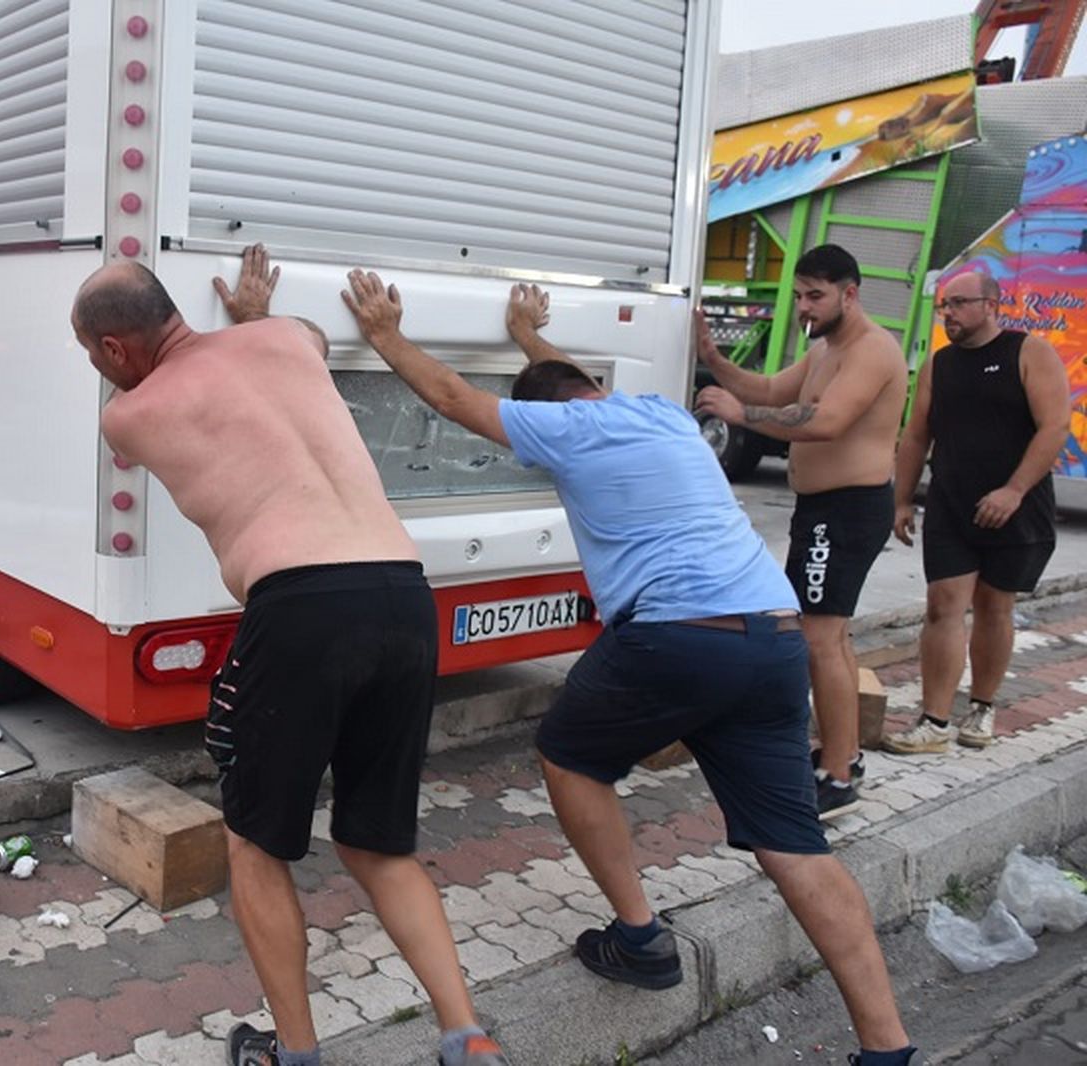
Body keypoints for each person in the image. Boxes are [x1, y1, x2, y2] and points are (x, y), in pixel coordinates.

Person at [341, 267, 918, 1066]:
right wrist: (528, 337)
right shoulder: (663, 417)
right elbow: (568, 383)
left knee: (570, 758)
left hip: (677, 635)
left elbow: (451, 399)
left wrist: (383, 335)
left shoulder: (560, 430)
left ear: (540, 416)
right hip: (773, 633)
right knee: (797, 850)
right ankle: (887, 1048)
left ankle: (641, 939)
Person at [70, 245, 508, 1066]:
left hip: (301, 608)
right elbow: (300, 335)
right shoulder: (288, 340)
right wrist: (254, 319)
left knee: (257, 845)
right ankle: (467, 1037)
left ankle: (296, 1055)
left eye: (94, 354)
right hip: (405, 596)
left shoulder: (126, 414)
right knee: (381, 843)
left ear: (116, 350)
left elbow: (191, 407)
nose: (98, 370)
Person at [695, 245, 909, 820]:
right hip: (821, 512)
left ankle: (837, 776)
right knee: (828, 637)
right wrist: (713, 356)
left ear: (850, 293)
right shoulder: (826, 349)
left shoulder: (871, 351)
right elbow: (767, 390)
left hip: (847, 510)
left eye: (815, 295)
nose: (804, 307)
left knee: (818, 637)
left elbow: (828, 420)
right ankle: (845, 754)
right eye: (800, 295)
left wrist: (740, 418)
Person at [881, 270, 1070, 754]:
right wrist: (902, 498)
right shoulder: (939, 364)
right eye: (945, 305)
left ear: (991, 305)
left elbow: (1054, 427)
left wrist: (1013, 490)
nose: (949, 314)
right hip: (951, 502)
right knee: (943, 603)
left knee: (993, 605)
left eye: (960, 303)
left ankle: (982, 708)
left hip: (1017, 506)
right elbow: (917, 434)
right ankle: (933, 721)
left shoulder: (1028, 352)